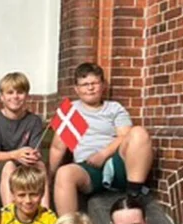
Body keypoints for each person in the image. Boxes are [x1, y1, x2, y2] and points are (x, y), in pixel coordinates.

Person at [49, 62, 153, 215]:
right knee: (65, 173)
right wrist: (50, 176)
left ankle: (133, 197)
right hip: (88, 168)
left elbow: (125, 136)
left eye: (94, 83)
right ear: (76, 89)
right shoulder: (71, 110)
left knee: (139, 133)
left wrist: (103, 154)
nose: (90, 88)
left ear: (103, 85)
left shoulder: (114, 108)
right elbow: (58, 148)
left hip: (115, 162)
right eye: (84, 84)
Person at [0, 72, 49, 207]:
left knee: (40, 165)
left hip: (25, 165)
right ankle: (10, 216)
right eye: (10, 92)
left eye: (20, 92)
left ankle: (45, 214)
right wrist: (16, 154)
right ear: (2, 97)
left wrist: (34, 155)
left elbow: (35, 149)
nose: (15, 96)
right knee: (10, 166)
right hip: (0, 167)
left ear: (27, 96)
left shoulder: (34, 120)